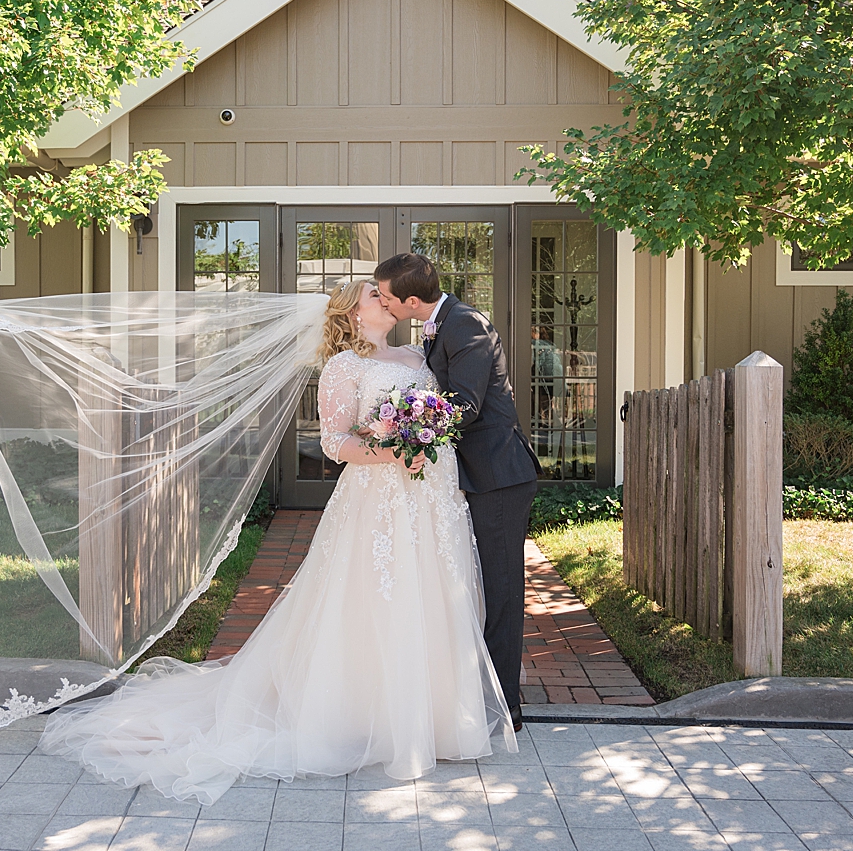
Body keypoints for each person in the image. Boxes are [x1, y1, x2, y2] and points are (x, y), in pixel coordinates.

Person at [38, 279, 515, 804]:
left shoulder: (415, 353)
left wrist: (423, 439)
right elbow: (335, 443)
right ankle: (365, 714)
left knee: (434, 592)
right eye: (373, 297)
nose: (386, 300)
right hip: (380, 497)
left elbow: (440, 413)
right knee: (377, 595)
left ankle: (439, 716)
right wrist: (394, 453)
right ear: (351, 315)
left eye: (385, 296)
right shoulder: (342, 368)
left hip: (432, 497)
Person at [373, 253, 540, 733]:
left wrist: (404, 429)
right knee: (478, 588)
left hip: (498, 477)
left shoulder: (466, 325)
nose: (381, 300)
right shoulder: (435, 325)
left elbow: (463, 405)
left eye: (385, 294)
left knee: (502, 591)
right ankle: (478, 696)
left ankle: (506, 709)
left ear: (409, 300)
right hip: (466, 477)